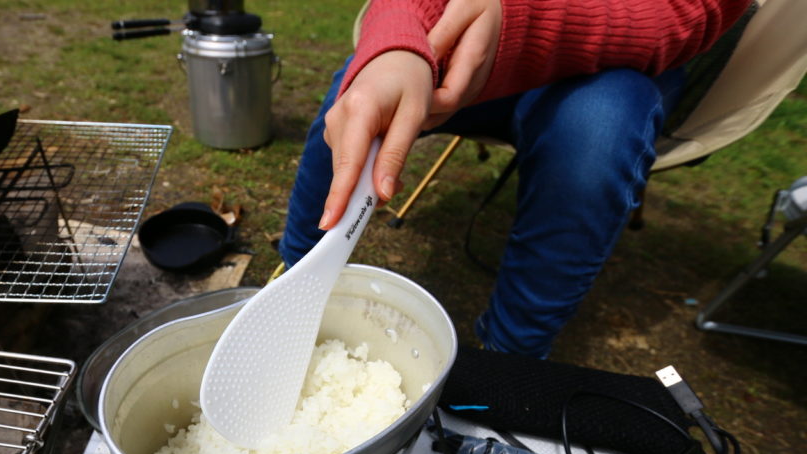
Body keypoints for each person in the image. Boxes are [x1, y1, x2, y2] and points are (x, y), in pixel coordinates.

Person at [278, 0, 757, 358]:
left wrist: (518, 17)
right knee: (359, 94)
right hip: (465, 39)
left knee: (598, 130)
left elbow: (686, 12)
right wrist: (399, 36)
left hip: (618, 64)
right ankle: (290, 293)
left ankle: (512, 361)